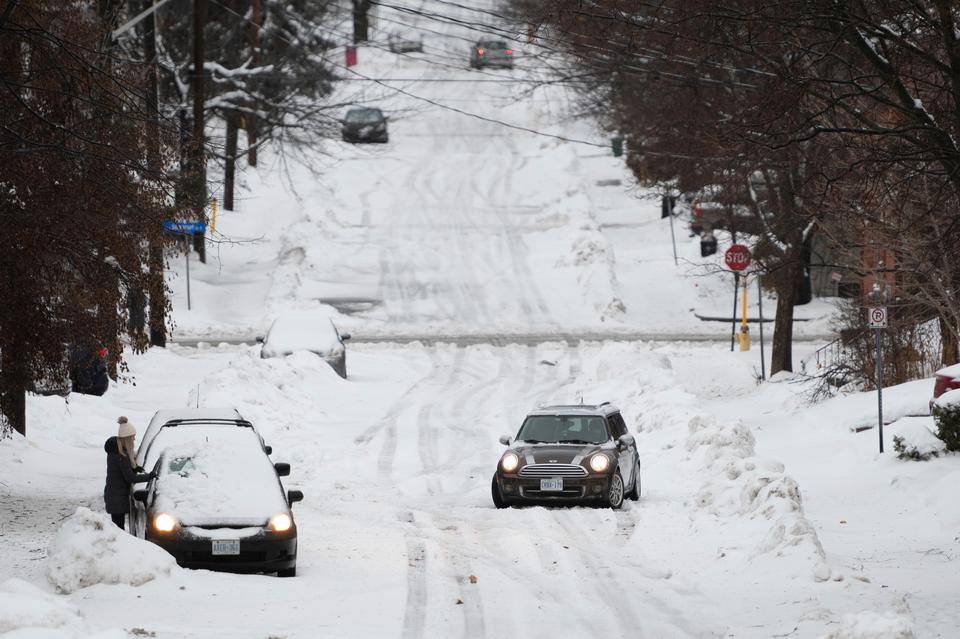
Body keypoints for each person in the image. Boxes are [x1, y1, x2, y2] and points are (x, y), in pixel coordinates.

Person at [103, 416, 153, 530]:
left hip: (114, 496)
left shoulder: (115, 452)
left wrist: (134, 468)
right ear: (127, 438)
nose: (134, 440)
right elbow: (130, 478)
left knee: (118, 527)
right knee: (118, 529)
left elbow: (122, 471)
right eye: (132, 437)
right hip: (116, 498)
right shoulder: (121, 456)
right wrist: (149, 477)